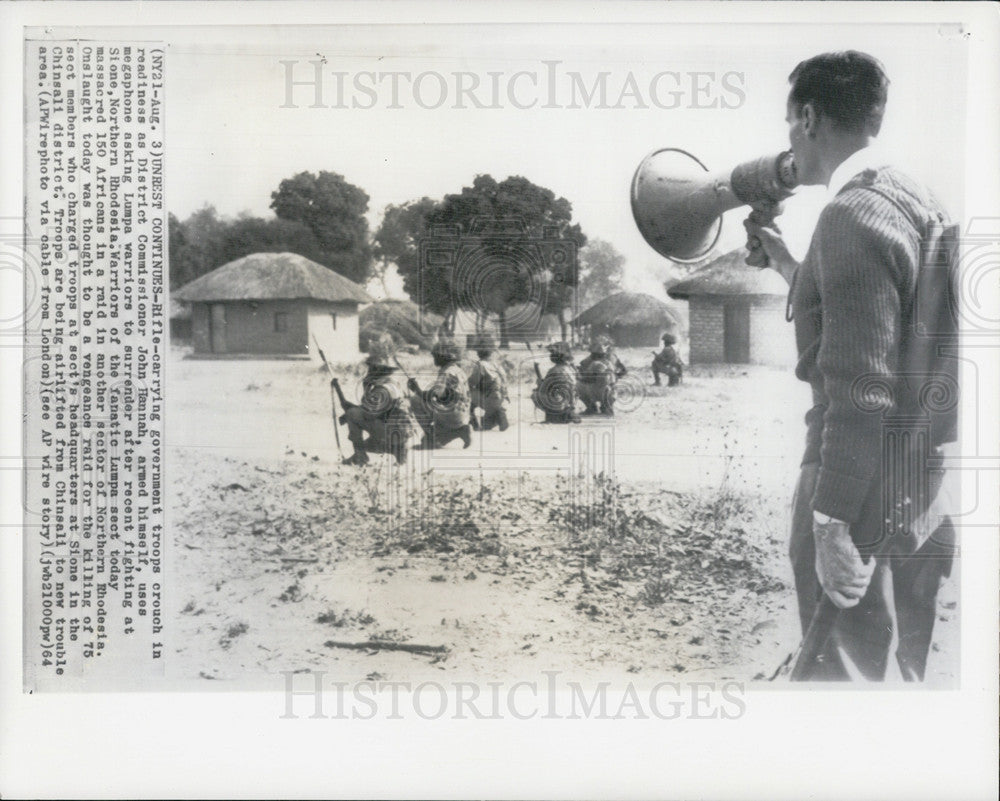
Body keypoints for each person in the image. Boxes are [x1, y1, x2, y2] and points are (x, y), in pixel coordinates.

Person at [746, 51, 956, 681]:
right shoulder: (911, 197)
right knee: (900, 675)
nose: (788, 140)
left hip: (857, 488)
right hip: (918, 481)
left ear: (809, 117)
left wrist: (832, 522)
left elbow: (863, 389)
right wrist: (790, 265)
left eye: (790, 123)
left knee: (843, 688)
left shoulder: (847, 216)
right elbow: (887, 327)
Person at [341, 333, 422, 466]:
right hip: (402, 432)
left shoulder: (382, 389)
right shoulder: (394, 383)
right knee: (369, 438)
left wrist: (364, 390)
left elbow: (368, 413)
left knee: (352, 414)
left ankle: (360, 456)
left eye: (371, 368)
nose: (369, 371)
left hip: (392, 432)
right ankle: (399, 451)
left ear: (377, 370)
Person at [407, 337, 472, 449]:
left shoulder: (446, 372)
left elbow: (437, 395)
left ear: (443, 357)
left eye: (436, 356)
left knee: (415, 400)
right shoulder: (458, 370)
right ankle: (460, 430)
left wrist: (417, 390)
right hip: (463, 413)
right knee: (439, 438)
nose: (434, 359)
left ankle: (431, 436)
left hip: (452, 414)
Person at [468, 333, 510, 432]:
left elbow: (472, 382)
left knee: (468, 400)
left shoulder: (480, 365)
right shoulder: (496, 365)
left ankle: (474, 425)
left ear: (478, 352)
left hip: (489, 398)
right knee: (487, 425)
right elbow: (505, 381)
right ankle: (499, 414)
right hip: (500, 398)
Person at [577, 333, 627, 416]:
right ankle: (606, 406)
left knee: (578, 386)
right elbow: (623, 371)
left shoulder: (593, 359)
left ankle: (592, 407)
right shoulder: (612, 358)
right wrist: (613, 378)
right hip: (611, 391)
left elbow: (583, 372)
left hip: (598, 389)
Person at [531, 341, 580, 424]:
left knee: (535, 394)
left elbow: (545, 387)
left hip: (557, 402)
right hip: (569, 401)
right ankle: (568, 413)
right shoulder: (570, 370)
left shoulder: (553, 370)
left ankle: (553, 416)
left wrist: (539, 381)